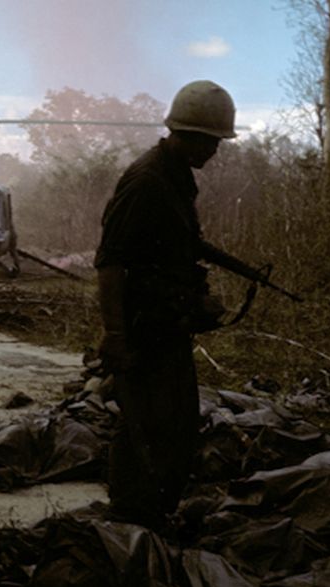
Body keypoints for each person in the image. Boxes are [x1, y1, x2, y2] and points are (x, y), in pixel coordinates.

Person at [94, 80, 237, 527]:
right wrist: (115, 336)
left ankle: (152, 513)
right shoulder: (147, 181)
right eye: (211, 142)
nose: (214, 152)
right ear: (187, 134)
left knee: (175, 424)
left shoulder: (177, 179)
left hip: (168, 324)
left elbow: (174, 243)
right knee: (144, 426)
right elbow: (110, 263)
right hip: (143, 328)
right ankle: (130, 520)